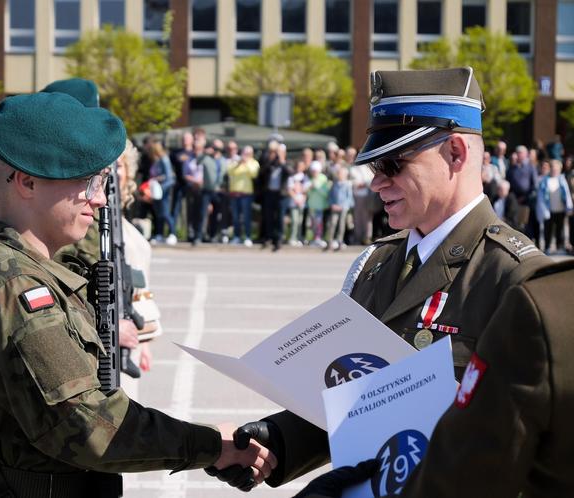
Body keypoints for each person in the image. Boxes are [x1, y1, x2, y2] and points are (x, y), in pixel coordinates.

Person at [209, 67, 551, 491]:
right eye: (374, 165)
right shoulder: (376, 263)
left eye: (392, 164)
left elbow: (531, 450)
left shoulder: (518, 279)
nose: (376, 182)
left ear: (456, 154)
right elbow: (355, 399)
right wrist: (274, 443)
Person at [0, 92, 275, 497]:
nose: (98, 198)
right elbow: (91, 428)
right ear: (27, 182)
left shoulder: (32, 273)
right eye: (86, 182)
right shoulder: (16, 287)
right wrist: (210, 445)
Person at [294, 259, 574, 498]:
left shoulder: (536, 295)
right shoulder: (379, 258)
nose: (378, 191)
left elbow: (472, 479)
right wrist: (283, 440)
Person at [536, 159, 573, 254]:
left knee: (559, 230)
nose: (555, 171)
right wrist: (543, 210)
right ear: (550, 169)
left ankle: (559, 247)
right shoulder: (545, 180)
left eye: (557, 169)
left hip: (560, 210)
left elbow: (567, 194)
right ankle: (547, 247)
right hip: (549, 210)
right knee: (547, 230)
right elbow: (541, 197)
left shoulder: (562, 179)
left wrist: (569, 207)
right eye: (553, 168)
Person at [228, 145, 260, 246]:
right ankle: (237, 236)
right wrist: (239, 163)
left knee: (247, 217)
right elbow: (230, 171)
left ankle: (247, 236)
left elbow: (253, 174)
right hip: (234, 194)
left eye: (248, 154)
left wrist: (246, 163)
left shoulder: (254, 163)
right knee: (236, 217)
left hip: (246, 194)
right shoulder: (236, 162)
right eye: (244, 153)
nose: (245, 155)